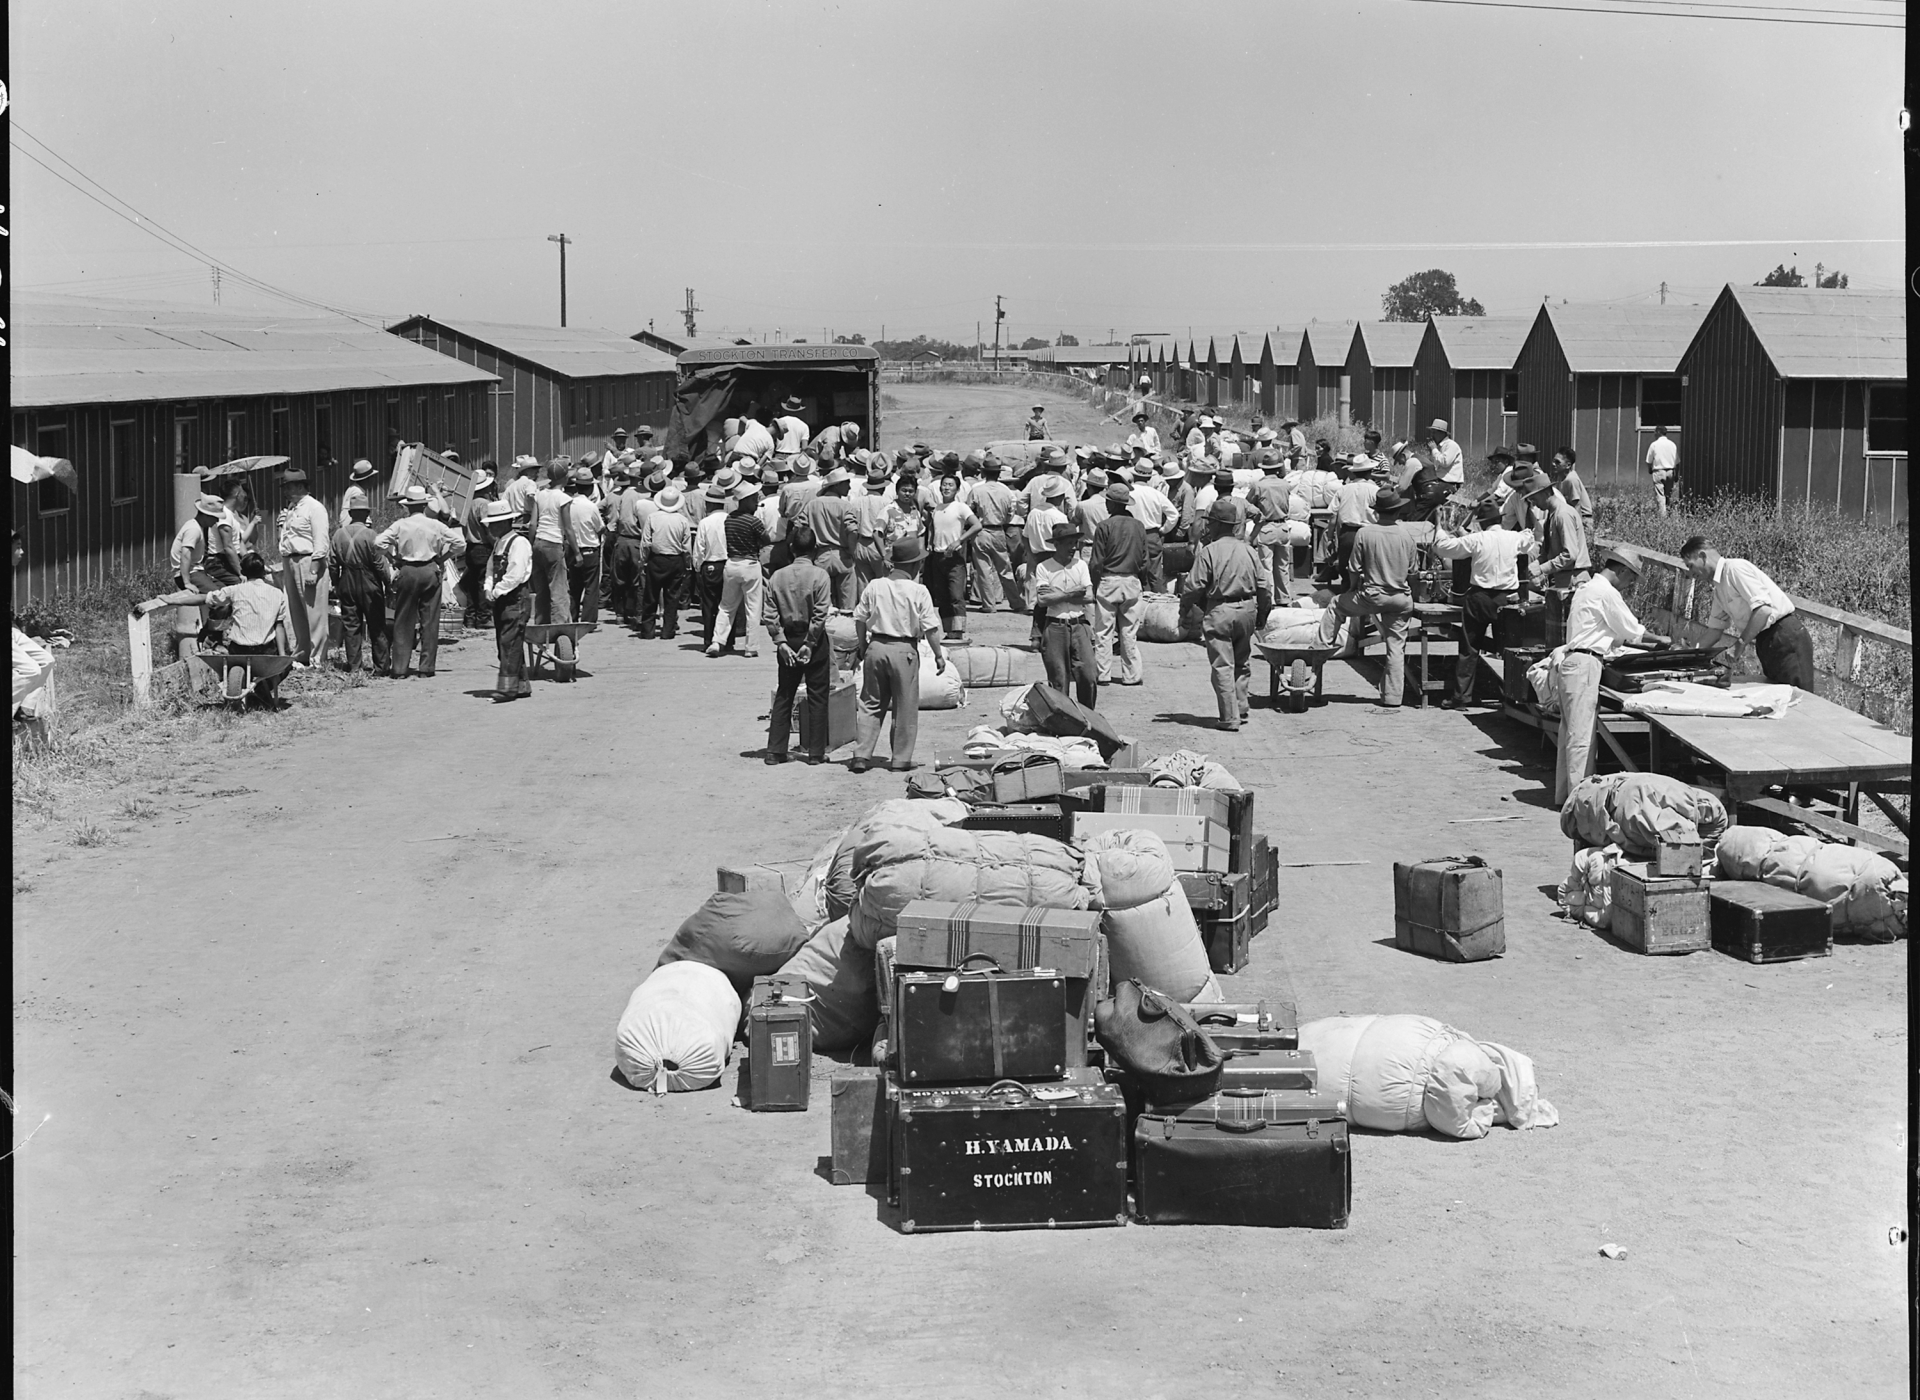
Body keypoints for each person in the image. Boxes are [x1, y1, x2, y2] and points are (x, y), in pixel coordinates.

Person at [1556, 547, 1661, 804]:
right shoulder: (1605, 592)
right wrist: (1661, 639)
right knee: (1581, 737)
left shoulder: (1587, 588)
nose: (1631, 584)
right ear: (1622, 570)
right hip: (1585, 663)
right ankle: (1580, 802)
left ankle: (1566, 797)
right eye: (1632, 577)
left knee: (1570, 734)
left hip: (1574, 662)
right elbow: (1630, 628)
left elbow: (1611, 632)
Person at [849, 536, 947, 773]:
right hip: (904, 651)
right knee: (905, 706)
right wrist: (938, 655)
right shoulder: (919, 591)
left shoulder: (875, 585)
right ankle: (900, 759)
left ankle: (862, 754)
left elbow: (860, 619)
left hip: (877, 647)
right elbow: (930, 628)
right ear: (916, 565)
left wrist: (862, 646)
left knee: (870, 703)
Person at [1431, 500, 1537, 709]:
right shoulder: (1513, 538)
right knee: (1509, 649)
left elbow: (1445, 548)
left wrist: (1439, 527)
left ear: (1481, 523)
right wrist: (1530, 512)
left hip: (1479, 597)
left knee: (1469, 647)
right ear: (1500, 519)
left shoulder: (1476, 539)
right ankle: (1513, 696)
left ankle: (1462, 696)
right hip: (1507, 598)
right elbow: (1530, 538)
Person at [1182, 500, 1274, 731]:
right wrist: (1262, 614)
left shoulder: (1209, 552)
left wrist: (1184, 611)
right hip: (1247, 610)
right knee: (1242, 662)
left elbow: (1193, 587)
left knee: (1223, 665)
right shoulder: (1249, 551)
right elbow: (1264, 587)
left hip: (1220, 610)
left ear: (1214, 524)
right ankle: (1241, 709)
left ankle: (1229, 717)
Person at [1680, 536, 1814, 688]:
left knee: (1800, 698)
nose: (1691, 573)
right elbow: (1714, 631)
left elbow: (1763, 610)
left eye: (1690, 566)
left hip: (1784, 636)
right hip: (1765, 642)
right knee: (1779, 697)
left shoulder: (1735, 569)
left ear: (1703, 556)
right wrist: (1690, 655)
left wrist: (1739, 645)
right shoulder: (1719, 589)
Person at [1332, 487, 1418, 711]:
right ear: (1398, 512)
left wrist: (1351, 589)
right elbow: (1413, 571)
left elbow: (1353, 568)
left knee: (1335, 606)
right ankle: (1392, 697)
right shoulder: (1406, 536)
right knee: (1396, 647)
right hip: (1400, 598)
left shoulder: (1365, 533)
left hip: (1372, 595)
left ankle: (1318, 651)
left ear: (1377, 512)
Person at [762, 523, 834, 766]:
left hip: (788, 638)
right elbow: (821, 613)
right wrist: (810, 643)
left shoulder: (777, 576)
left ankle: (775, 751)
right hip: (812, 640)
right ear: (814, 550)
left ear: (791, 548)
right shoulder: (820, 576)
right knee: (818, 695)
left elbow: (770, 614)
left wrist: (780, 642)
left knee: (785, 693)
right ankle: (815, 753)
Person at [376, 484, 463, 678]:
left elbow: (378, 543)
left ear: (407, 506)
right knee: (430, 620)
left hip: (407, 570)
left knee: (404, 619)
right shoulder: (435, 525)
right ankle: (426, 668)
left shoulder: (400, 525)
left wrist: (392, 559)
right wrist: (442, 558)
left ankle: (399, 668)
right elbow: (460, 543)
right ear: (425, 504)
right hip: (430, 569)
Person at [1031, 521, 1099, 708]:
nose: (1073, 548)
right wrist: (1070, 594)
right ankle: (1063, 719)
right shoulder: (1044, 567)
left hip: (1079, 625)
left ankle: (1087, 715)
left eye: (1074, 543)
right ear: (1057, 545)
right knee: (1058, 679)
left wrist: (1057, 594)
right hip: (1055, 626)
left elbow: (1088, 597)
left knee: (1088, 675)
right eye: (1068, 543)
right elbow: (1043, 600)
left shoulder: (1081, 566)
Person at [1089, 481, 1147, 686]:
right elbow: (1144, 560)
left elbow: (1096, 561)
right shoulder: (1139, 527)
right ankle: (1132, 675)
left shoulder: (1104, 527)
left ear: (1112, 504)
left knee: (1103, 631)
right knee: (1129, 631)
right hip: (1131, 580)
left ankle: (1102, 674)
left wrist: (1094, 585)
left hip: (1108, 580)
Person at [274, 469, 332, 665]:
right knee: (296, 610)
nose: (286, 492)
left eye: (289, 487)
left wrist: (314, 569)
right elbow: (286, 538)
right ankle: (302, 653)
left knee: (314, 611)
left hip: (308, 559)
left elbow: (321, 540)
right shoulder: (291, 509)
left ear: (300, 486)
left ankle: (317, 658)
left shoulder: (314, 508)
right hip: (290, 559)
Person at [708, 479, 770, 657]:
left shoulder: (729, 520)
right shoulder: (753, 521)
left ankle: (717, 641)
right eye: (754, 499)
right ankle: (751, 647)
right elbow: (765, 540)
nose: (757, 503)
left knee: (726, 606)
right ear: (748, 500)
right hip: (750, 565)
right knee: (753, 608)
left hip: (732, 564)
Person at [329, 501, 393, 675]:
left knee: (351, 626)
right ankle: (381, 667)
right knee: (376, 625)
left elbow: (333, 564)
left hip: (346, 581)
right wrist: (387, 583)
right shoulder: (371, 535)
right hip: (369, 581)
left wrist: (336, 583)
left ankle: (355, 667)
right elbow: (380, 564)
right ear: (366, 514)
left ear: (350, 513)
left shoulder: (338, 535)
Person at [482, 500, 534, 702]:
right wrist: (488, 588)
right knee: (509, 643)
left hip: (515, 598)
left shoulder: (519, 543)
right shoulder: (499, 543)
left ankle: (506, 690)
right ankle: (521, 685)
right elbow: (490, 568)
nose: (492, 528)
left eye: (495, 524)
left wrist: (496, 591)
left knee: (509, 643)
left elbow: (516, 574)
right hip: (501, 598)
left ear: (507, 522)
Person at [527, 461, 578, 662]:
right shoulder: (563, 498)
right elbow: (567, 529)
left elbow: (532, 523)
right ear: (564, 478)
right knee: (558, 589)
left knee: (541, 589)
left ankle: (541, 625)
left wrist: (531, 546)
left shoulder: (540, 494)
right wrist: (577, 552)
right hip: (554, 544)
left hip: (538, 542)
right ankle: (559, 627)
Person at [925, 473, 981, 640]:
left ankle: (958, 632)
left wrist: (960, 540)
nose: (946, 488)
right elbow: (932, 527)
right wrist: (930, 541)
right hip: (937, 556)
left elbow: (977, 525)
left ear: (957, 489)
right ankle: (948, 631)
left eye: (950, 485)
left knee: (956, 595)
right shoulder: (937, 508)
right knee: (942, 597)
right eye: (944, 484)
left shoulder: (961, 507)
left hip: (954, 557)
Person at [964, 453, 1017, 611]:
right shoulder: (1006, 490)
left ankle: (989, 604)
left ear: (983, 472)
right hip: (999, 530)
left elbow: (968, 512)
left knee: (983, 570)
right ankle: (1016, 602)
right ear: (999, 472)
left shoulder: (977, 490)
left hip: (981, 531)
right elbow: (1009, 514)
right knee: (1005, 569)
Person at [639, 483, 692, 639]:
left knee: (650, 596)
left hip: (656, 560)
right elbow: (686, 546)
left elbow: (646, 542)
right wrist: (687, 564)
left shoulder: (652, 518)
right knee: (672, 597)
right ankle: (668, 631)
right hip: (676, 560)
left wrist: (642, 561)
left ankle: (648, 631)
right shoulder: (682, 520)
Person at [803, 464, 859, 609]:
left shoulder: (812, 505)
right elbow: (852, 530)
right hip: (842, 556)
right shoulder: (845, 506)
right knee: (847, 603)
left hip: (820, 556)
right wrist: (852, 552)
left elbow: (801, 528)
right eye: (847, 484)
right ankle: (846, 628)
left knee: (822, 604)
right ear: (837, 485)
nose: (850, 488)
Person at [1322, 455, 1379, 587]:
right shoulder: (1375, 490)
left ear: (1353, 472)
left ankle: (1347, 598)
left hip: (1348, 534)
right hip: (1369, 533)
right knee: (1369, 569)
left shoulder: (1343, 490)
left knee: (1347, 570)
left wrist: (1330, 538)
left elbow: (1333, 517)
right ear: (1369, 473)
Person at [691, 481, 733, 650]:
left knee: (709, 605)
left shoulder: (705, 523)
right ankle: (727, 640)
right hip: (729, 564)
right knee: (729, 604)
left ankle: (709, 639)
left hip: (710, 566)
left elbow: (699, 549)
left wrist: (697, 568)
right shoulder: (730, 520)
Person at [458, 465, 500, 626]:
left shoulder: (466, 504)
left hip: (470, 546)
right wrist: (496, 544)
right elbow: (487, 527)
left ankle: (470, 616)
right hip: (483, 546)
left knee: (472, 583)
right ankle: (483, 617)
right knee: (484, 581)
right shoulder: (483, 504)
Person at [172, 493, 229, 592]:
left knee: (226, 591)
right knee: (219, 598)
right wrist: (187, 582)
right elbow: (185, 554)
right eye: (215, 517)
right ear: (206, 515)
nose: (217, 520)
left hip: (197, 570)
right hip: (189, 573)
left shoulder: (199, 527)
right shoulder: (193, 530)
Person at [1546, 447, 1594, 533]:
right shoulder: (1559, 478)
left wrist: (1576, 530)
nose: (1553, 464)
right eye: (1553, 461)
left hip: (1583, 520)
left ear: (1568, 465)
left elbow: (1577, 506)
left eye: (1557, 462)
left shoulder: (1571, 480)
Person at [1645, 425, 1679, 517]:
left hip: (1659, 471)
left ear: (1658, 433)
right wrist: (1676, 475)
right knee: (1668, 494)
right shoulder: (1672, 444)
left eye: (1655, 432)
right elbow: (1677, 462)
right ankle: (1669, 513)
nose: (1654, 434)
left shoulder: (1654, 445)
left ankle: (1662, 516)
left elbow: (1649, 460)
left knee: (1660, 495)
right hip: (1670, 471)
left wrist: (1650, 469)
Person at [772, 396, 811, 467]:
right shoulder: (804, 426)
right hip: (795, 457)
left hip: (779, 455)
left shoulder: (779, 422)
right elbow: (804, 447)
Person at [340, 458, 380, 524]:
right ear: (368, 479)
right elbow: (360, 514)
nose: (374, 479)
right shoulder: (358, 493)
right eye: (373, 477)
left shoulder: (352, 489)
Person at [1425, 418, 1464, 484]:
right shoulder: (1439, 446)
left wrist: (1434, 449)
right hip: (1440, 479)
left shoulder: (1451, 445)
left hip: (1450, 481)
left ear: (1442, 433)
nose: (1432, 435)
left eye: (1434, 433)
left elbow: (1445, 462)